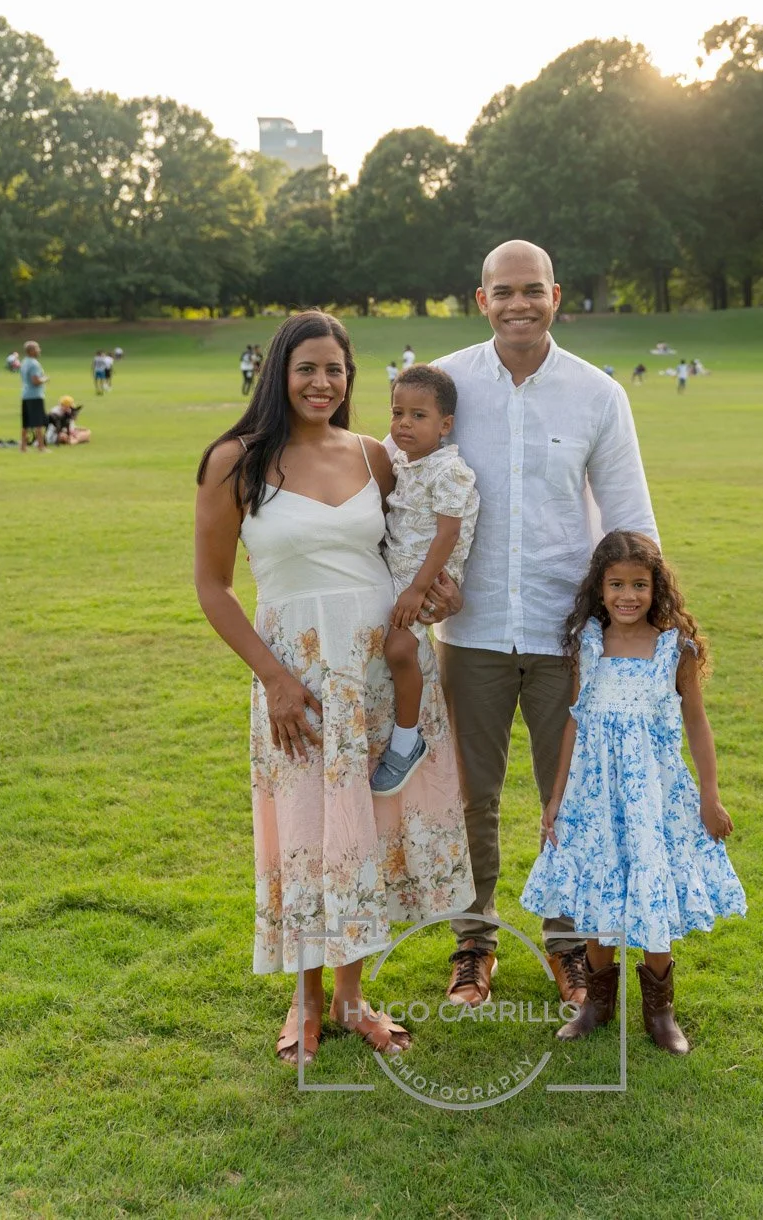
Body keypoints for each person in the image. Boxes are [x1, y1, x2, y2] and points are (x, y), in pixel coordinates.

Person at [194, 312, 473, 1068]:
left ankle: (352, 999)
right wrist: (276, 681)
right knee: (310, 828)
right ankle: (306, 999)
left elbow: (415, 552)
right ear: (280, 371)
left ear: (352, 380)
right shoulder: (235, 460)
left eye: (337, 371)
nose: (323, 383)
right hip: (299, 678)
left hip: (377, 669)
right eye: (308, 368)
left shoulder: (378, 457)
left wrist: (435, 597)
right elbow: (213, 588)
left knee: (367, 830)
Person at [424, 239, 658, 1011]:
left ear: (556, 295)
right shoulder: (446, 383)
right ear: (481, 298)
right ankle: (474, 943)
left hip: (568, 636)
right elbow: (411, 495)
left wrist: (650, 628)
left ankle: (570, 946)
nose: (518, 303)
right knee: (470, 797)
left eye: (533, 290)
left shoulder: (597, 394)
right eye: (504, 291)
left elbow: (628, 514)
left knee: (573, 797)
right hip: (472, 632)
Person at [521, 531, 745, 1050]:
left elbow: (697, 724)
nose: (628, 595)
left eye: (640, 585)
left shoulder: (675, 646)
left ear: (656, 587)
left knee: (649, 889)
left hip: (654, 797)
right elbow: (574, 724)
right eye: (617, 584)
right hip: (594, 795)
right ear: (599, 589)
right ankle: (596, 1005)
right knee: (599, 891)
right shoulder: (589, 644)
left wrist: (710, 798)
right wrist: (555, 799)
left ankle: (660, 1014)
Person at [372, 365, 479, 796]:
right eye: (398, 413)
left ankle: (406, 740)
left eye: (418, 416)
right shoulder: (401, 461)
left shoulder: (448, 471)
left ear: (445, 425)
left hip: (429, 578)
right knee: (386, 647)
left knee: (400, 647)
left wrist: (418, 589)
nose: (404, 424)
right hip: (397, 567)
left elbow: (448, 533)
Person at [19, 342, 49, 453]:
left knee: (25, 423)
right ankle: (41, 447)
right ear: (31, 351)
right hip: (35, 395)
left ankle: (23, 447)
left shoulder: (24, 362)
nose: (39, 350)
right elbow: (35, 381)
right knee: (38, 422)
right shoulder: (34, 364)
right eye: (37, 348)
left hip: (25, 395)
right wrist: (45, 379)